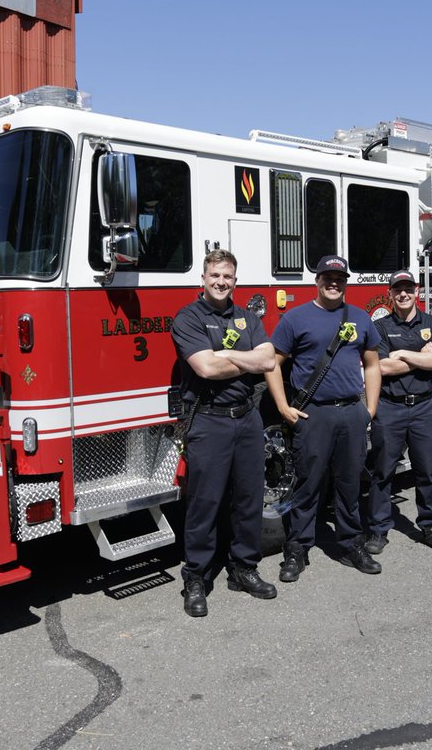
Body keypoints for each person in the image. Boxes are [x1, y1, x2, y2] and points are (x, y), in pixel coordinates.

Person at [170, 249, 278, 618]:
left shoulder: (247, 316)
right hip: (209, 421)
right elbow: (205, 369)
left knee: (249, 499)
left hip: (247, 418)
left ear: (235, 280)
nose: (221, 282)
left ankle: (243, 568)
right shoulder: (188, 317)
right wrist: (241, 359)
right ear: (203, 279)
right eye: (215, 275)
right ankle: (196, 577)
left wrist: (225, 355)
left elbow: (268, 360)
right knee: (206, 502)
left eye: (228, 276)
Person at [265, 255, 382, 581]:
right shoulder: (295, 319)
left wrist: (369, 409)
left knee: (349, 484)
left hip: (351, 414)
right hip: (312, 415)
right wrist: (283, 408)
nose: (333, 283)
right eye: (327, 277)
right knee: (307, 486)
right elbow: (272, 363)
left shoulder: (360, 318)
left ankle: (350, 544)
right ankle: (296, 551)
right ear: (316, 280)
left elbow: (373, 365)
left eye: (339, 278)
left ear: (346, 282)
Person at [364, 270, 432, 556]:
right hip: (389, 408)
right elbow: (382, 367)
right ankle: (378, 530)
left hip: (424, 407)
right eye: (397, 289)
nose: (403, 294)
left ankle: (430, 527)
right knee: (382, 472)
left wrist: (401, 353)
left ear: (416, 291)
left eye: (408, 288)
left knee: (426, 471)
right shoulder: (379, 327)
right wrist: (420, 354)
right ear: (390, 294)